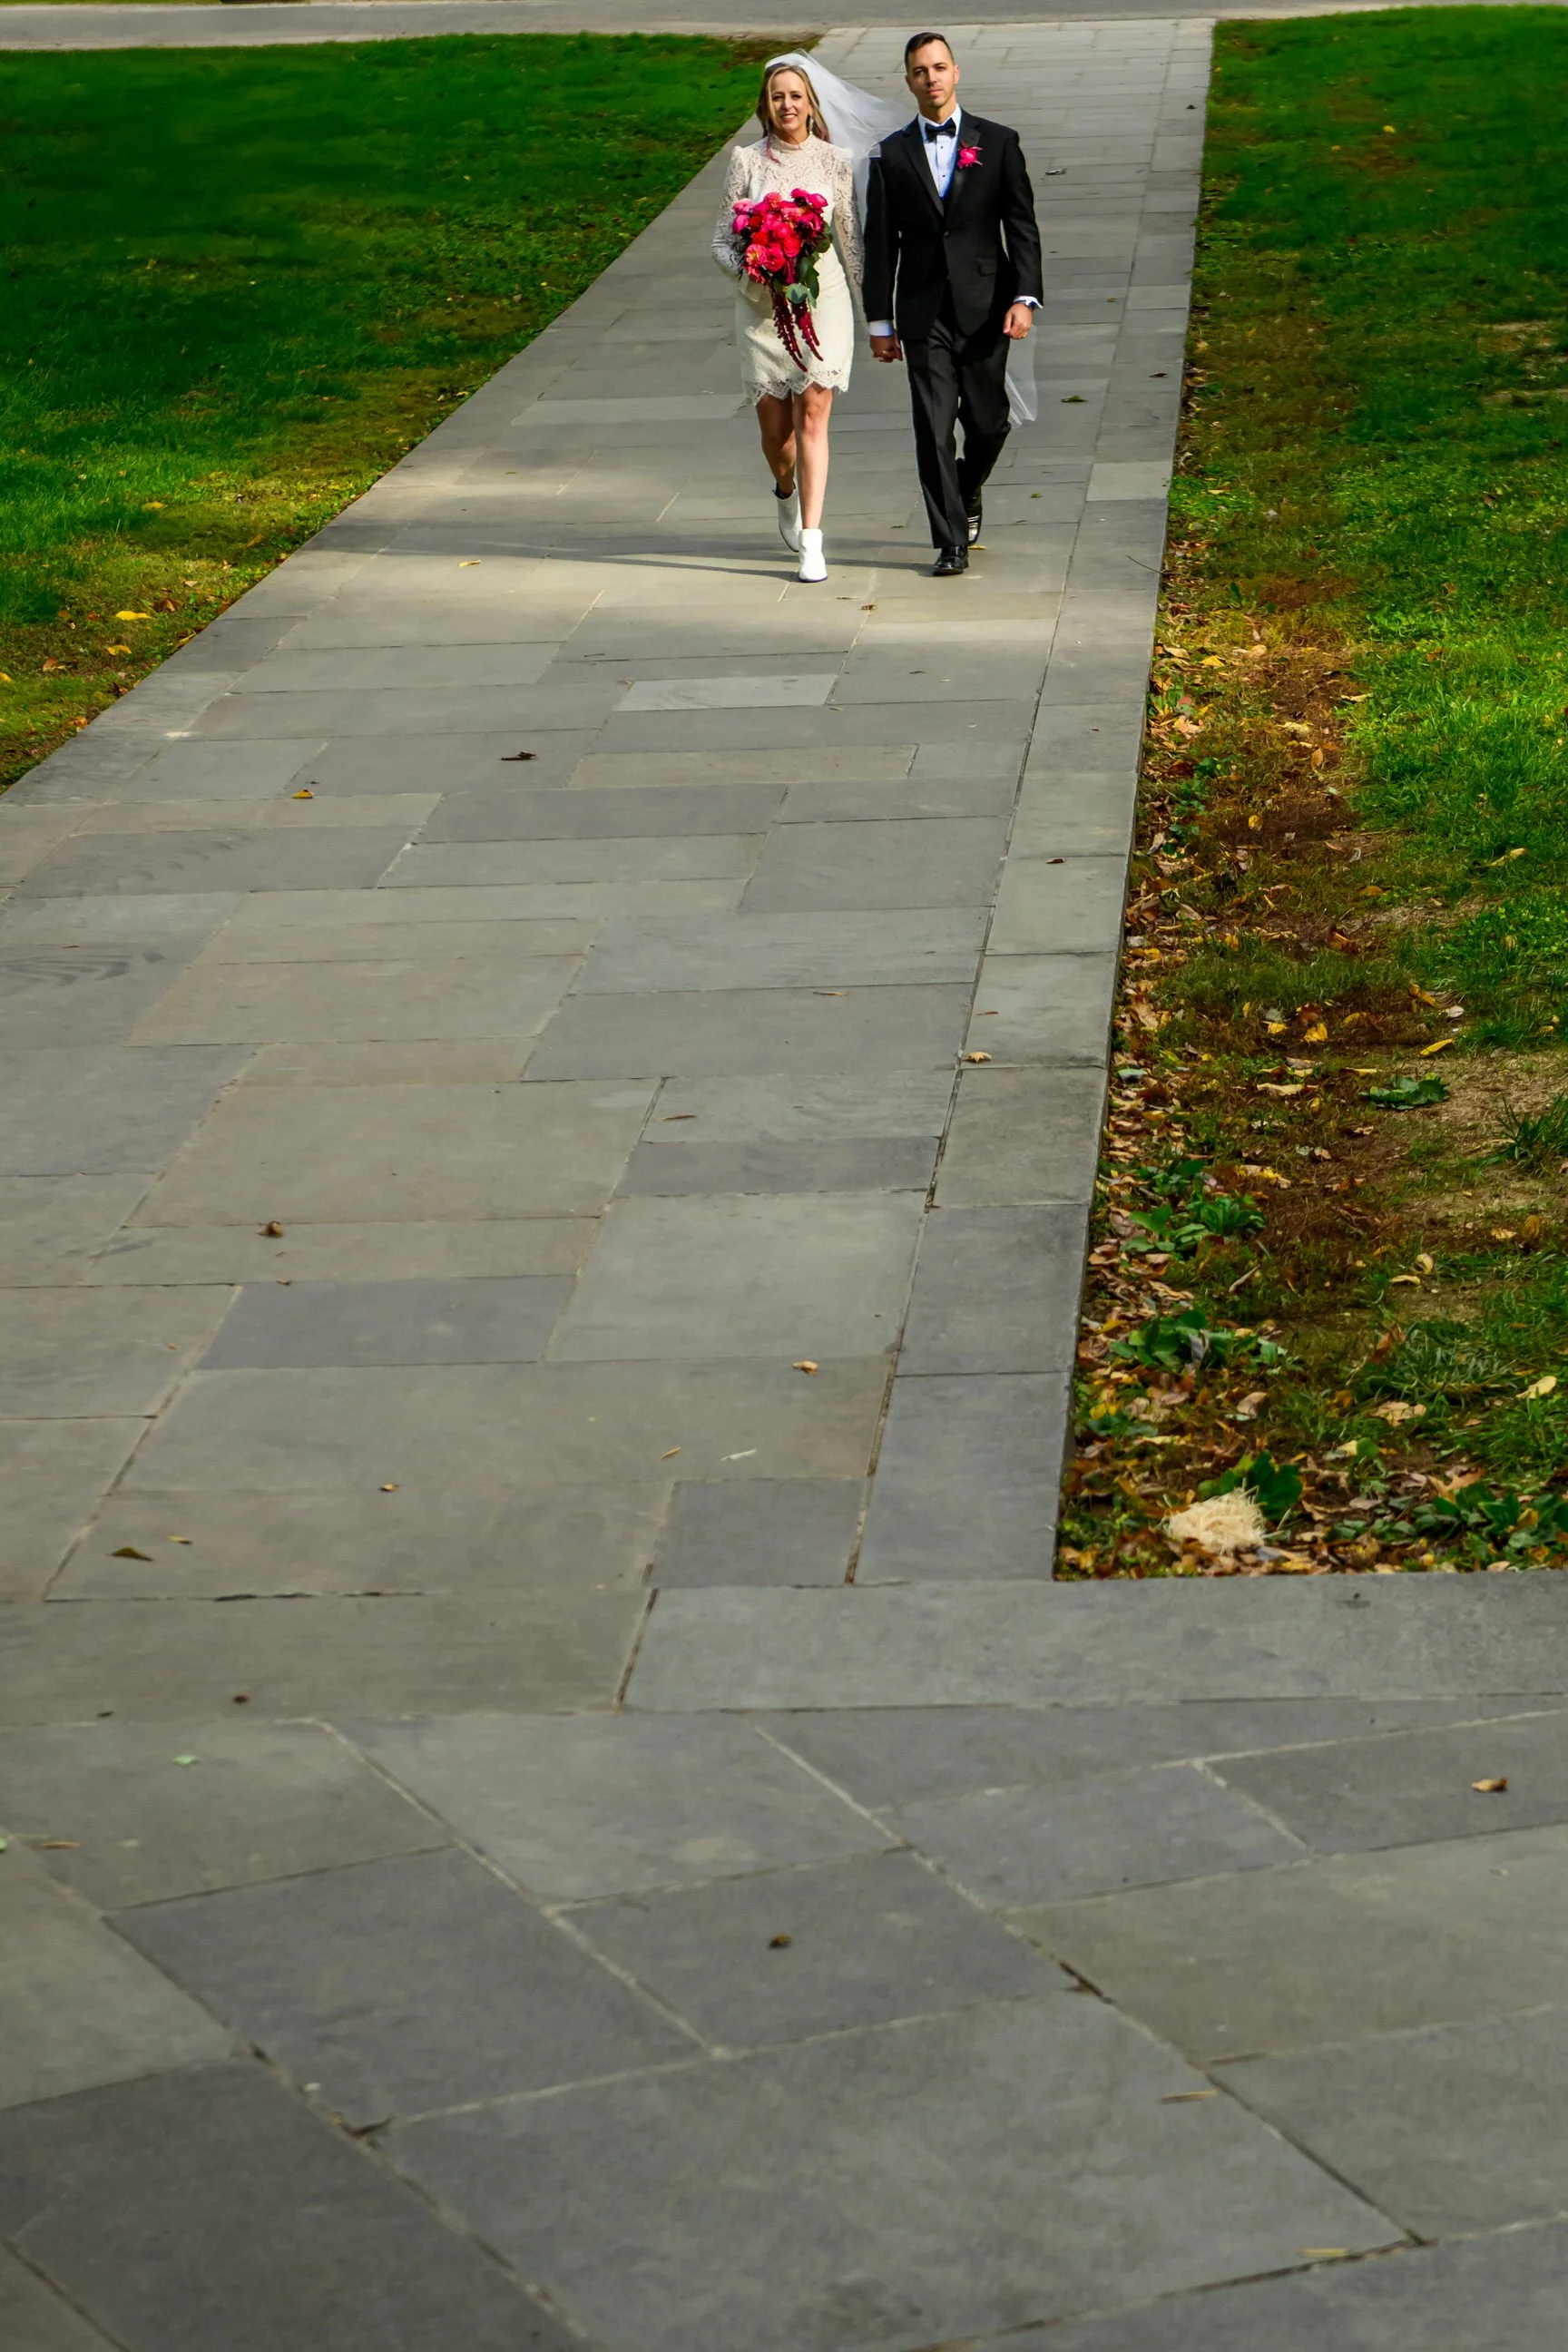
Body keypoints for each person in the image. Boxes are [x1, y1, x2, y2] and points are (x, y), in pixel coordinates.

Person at [864, 33, 1044, 576]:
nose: (931, 78)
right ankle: (950, 542)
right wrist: (880, 321)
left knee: (989, 424)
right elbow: (879, 245)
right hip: (922, 313)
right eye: (920, 71)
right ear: (909, 81)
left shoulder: (999, 141)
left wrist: (1025, 297)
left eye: (939, 67)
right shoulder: (891, 155)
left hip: (988, 305)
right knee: (934, 426)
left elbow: (1022, 226)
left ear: (956, 72)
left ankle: (967, 487)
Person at [711, 59, 864, 584]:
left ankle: (813, 541)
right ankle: (785, 492)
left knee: (814, 414)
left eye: (796, 96)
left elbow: (851, 242)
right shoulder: (746, 162)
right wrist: (754, 272)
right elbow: (721, 243)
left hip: (824, 305)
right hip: (762, 311)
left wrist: (878, 319)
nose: (788, 106)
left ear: (811, 103)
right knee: (779, 439)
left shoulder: (834, 161)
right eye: (778, 97)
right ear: (765, 105)